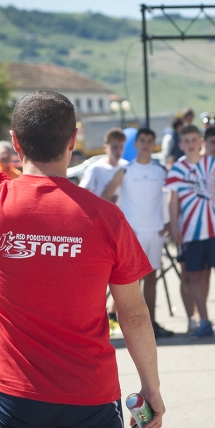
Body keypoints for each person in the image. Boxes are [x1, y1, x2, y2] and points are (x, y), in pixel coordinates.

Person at [0, 15, 163, 428]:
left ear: (15, 142)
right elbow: (134, 315)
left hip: (16, 396)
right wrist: (151, 389)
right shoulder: (107, 218)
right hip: (91, 395)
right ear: (75, 141)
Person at [101, 128, 174, 338]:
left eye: (150, 141)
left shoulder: (160, 171)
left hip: (156, 232)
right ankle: (130, 324)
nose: (146, 144)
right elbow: (104, 197)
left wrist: (167, 223)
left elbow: (170, 197)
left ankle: (151, 323)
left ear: (154, 144)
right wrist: (118, 225)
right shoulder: (125, 171)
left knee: (152, 279)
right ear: (136, 144)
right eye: (142, 140)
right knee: (133, 283)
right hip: (133, 234)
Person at [167, 124, 215, 338]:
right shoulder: (177, 169)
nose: (190, 144)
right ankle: (203, 320)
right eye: (186, 141)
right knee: (196, 277)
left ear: (200, 141)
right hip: (191, 232)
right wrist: (175, 226)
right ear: (180, 145)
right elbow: (173, 200)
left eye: (194, 140)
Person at [79, 128, 129, 334]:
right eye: (114, 147)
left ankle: (113, 314)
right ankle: (97, 317)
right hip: (101, 229)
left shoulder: (128, 167)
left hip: (124, 228)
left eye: (121, 147)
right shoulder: (96, 169)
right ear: (106, 147)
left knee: (123, 275)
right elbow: (84, 196)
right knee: (101, 276)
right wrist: (105, 200)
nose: (118, 151)